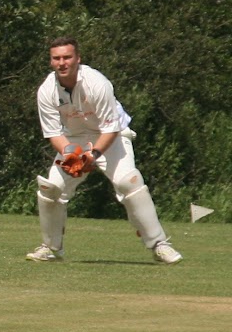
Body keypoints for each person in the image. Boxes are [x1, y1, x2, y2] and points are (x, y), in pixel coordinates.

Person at [28, 37, 181, 264]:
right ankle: (51, 248)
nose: (62, 63)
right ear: (51, 62)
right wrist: (71, 154)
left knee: (128, 182)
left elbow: (111, 128)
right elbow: (53, 133)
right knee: (51, 189)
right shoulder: (46, 90)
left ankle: (160, 245)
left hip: (111, 136)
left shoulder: (97, 83)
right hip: (75, 139)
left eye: (67, 57)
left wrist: (94, 155)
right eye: (56, 58)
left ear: (77, 59)